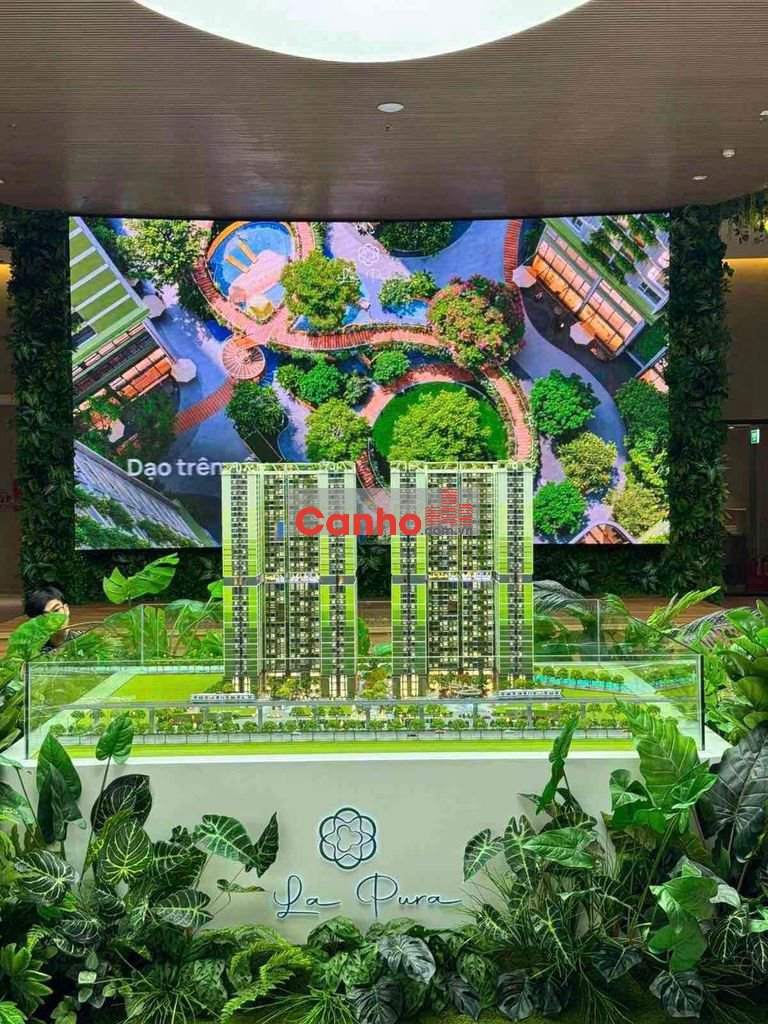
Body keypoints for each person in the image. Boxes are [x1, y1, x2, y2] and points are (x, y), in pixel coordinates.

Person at [24, 586, 79, 651]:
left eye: (56, 610)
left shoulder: (86, 640)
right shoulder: (33, 652)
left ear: (66, 609)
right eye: (45, 616)